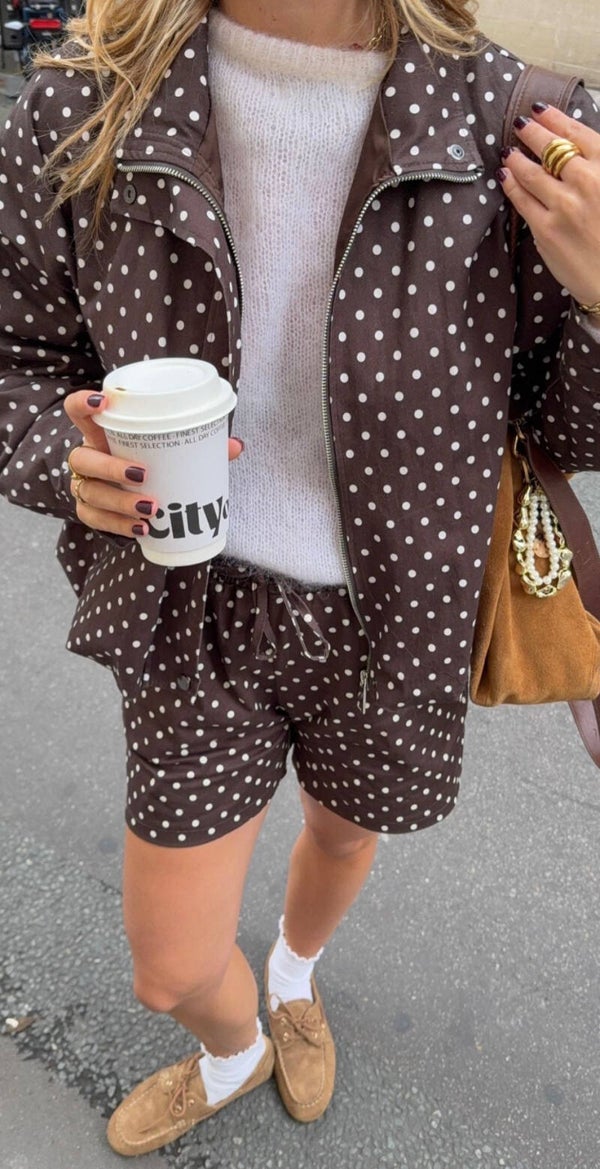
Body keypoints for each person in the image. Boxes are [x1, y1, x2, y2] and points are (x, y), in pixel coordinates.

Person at [1, 0, 600, 1157]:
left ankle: (292, 976)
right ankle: (233, 1047)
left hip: (396, 613)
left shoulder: (515, 124)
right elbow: (18, 363)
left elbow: (566, 430)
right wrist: (58, 459)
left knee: (340, 832)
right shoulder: (82, 104)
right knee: (173, 963)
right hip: (186, 601)